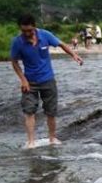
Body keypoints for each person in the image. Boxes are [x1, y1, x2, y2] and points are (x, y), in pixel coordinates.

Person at [10, 14, 83, 149]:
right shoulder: (17, 42)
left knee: (51, 111)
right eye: (23, 31)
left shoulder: (45, 35)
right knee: (29, 111)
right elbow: (14, 62)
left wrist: (74, 55)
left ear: (34, 26)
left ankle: (52, 138)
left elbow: (61, 44)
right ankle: (31, 142)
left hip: (48, 80)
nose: (26, 33)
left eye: (29, 30)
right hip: (29, 82)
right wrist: (23, 80)